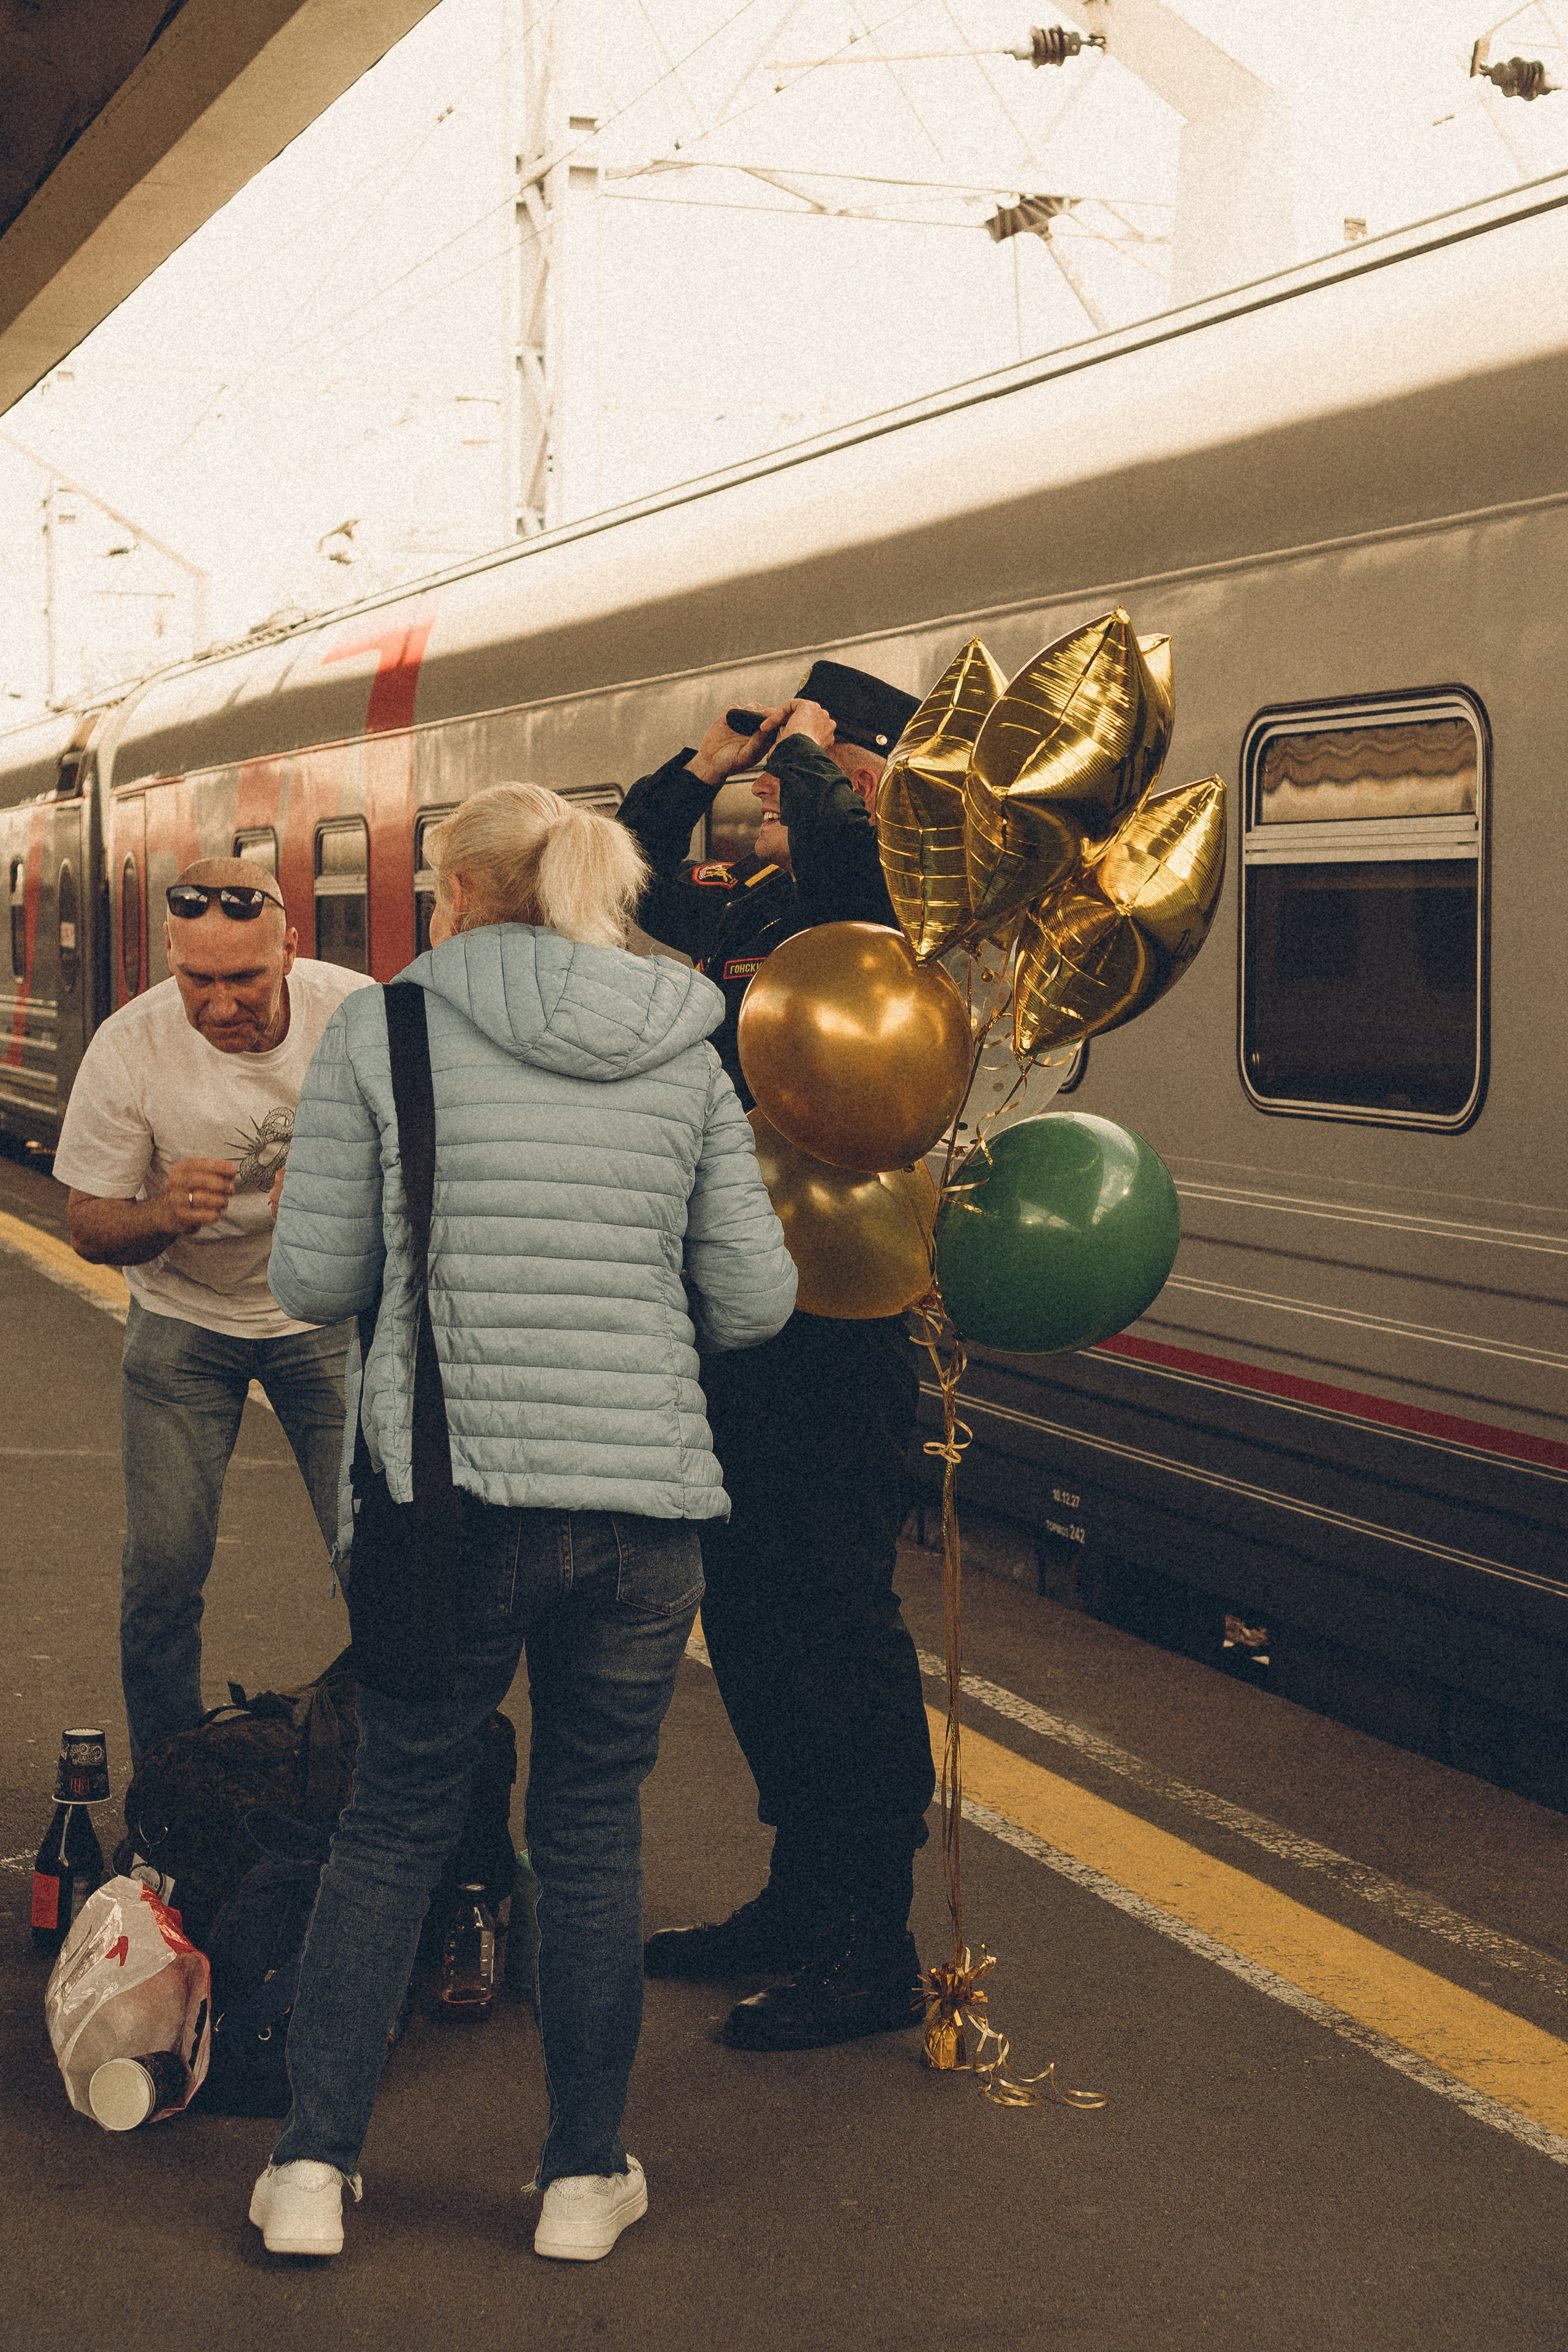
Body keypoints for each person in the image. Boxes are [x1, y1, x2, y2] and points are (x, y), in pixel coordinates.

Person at [247, 782, 796, 2264]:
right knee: (591, 1827)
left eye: (431, 885)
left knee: (397, 1820)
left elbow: (311, 1283)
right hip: (640, 1512)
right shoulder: (687, 1043)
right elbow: (752, 1302)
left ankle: (311, 2172)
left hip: (450, 1509)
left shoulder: (386, 1029)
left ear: (466, 893)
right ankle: (578, 2180)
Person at [617, 660, 941, 2055]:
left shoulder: (888, 913)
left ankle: (872, 1942)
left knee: (835, 1629)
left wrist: (816, 767)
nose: (791, 793)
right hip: (739, 1316)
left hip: (848, 1326)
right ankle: (796, 1897)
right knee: (747, 1620)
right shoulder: (745, 912)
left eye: (828, 771)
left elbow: (859, 879)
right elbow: (619, 877)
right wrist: (700, 769)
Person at [52, 856, 374, 1763]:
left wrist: (339, 1193)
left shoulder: (356, 1017)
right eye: (198, 980)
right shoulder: (132, 1043)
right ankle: (170, 1785)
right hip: (184, 1323)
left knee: (375, 1559)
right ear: (169, 957)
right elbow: (85, 1223)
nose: (221, 1004)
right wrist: (161, 1215)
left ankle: (390, 1786)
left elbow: (427, 1175)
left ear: (292, 951)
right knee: (163, 1569)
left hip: (324, 1320)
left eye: (245, 978)